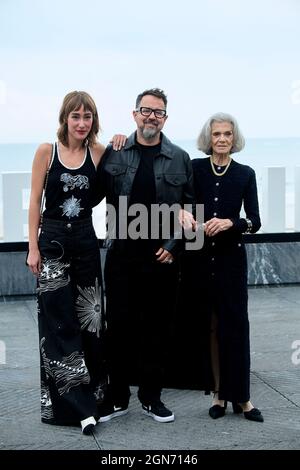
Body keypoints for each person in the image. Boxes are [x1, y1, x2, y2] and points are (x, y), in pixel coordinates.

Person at [93, 88, 194, 423]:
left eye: (158, 112)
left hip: (162, 260)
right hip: (122, 256)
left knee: (157, 329)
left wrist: (174, 245)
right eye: (145, 110)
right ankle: (117, 398)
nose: (152, 116)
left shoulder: (179, 157)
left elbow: (191, 210)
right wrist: (102, 146)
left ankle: (151, 398)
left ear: (165, 118)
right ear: (134, 114)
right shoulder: (116, 152)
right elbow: (93, 191)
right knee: (118, 327)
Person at [27, 91, 125, 434]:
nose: (82, 123)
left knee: (91, 321)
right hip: (51, 242)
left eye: (88, 117)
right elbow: (34, 202)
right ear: (65, 119)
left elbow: (118, 176)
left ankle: (97, 401)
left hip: (85, 242)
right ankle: (74, 408)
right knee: (57, 325)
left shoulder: (98, 153)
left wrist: (118, 143)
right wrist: (32, 248)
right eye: (76, 117)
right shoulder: (46, 152)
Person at [180, 112, 264, 422]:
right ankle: (217, 395)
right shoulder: (195, 168)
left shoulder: (245, 173)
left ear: (234, 138)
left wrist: (233, 222)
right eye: (217, 134)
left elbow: (255, 221)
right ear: (209, 138)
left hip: (232, 260)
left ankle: (242, 398)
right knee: (211, 327)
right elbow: (180, 202)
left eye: (227, 134)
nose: (222, 139)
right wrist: (185, 216)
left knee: (237, 325)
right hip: (201, 260)